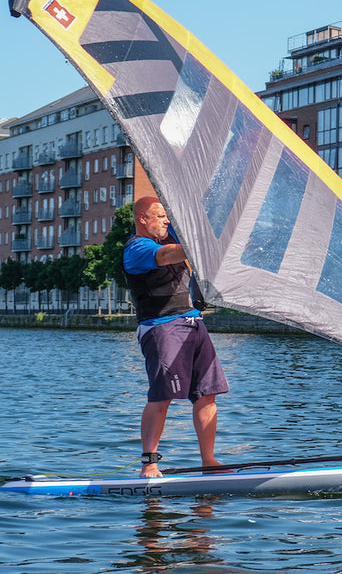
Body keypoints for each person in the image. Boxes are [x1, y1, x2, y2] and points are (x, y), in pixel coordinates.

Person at [123, 196, 229, 477]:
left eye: (167, 217)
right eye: (160, 217)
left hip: (194, 323)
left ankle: (209, 461)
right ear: (142, 219)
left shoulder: (168, 239)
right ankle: (149, 464)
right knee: (162, 397)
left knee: (207, 395)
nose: (166, 221)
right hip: (162, 327)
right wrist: (207, 245)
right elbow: (168, 256)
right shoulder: (137, 248)